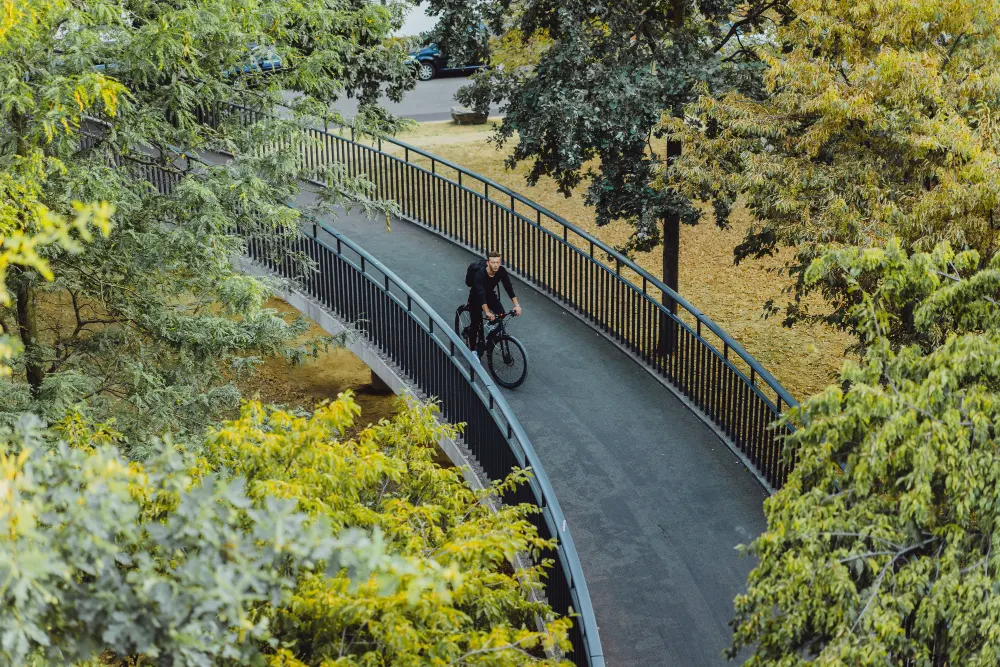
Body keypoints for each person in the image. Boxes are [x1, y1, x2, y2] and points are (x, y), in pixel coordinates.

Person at [468, 250, 522, 356]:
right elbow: (480, 293)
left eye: (498, 262)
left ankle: (489, 328)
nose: (496, 265)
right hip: (476, 298)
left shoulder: (501, 271)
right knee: (475, 324)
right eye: (493, 262)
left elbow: (508, 288)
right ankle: (473, 351)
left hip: (489, 295)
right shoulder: (480, 273)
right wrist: (487, 312)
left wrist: (517, 305)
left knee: (501, 314)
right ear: (488, 263)